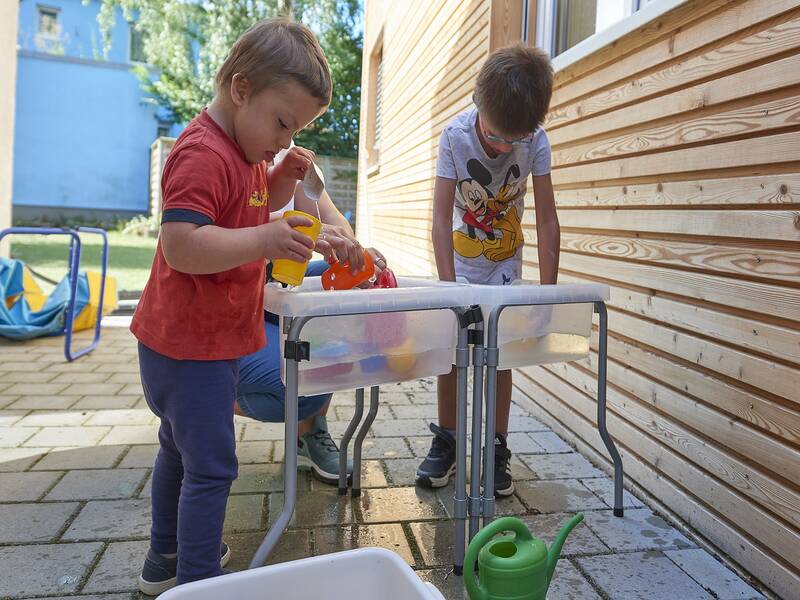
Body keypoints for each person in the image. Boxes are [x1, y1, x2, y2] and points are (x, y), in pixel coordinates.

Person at [130, 18, 346, 594]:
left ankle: (166, 561)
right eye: (282, 122)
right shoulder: (202, 153)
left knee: (179, 451)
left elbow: (241, 212)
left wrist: (277, 182)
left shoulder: (247, 155)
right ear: (241, 88)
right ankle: (200, 581)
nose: (284, 137)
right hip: (188, 348)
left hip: (199, 344)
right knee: (213, 467)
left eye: (294, 129)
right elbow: (183, 245)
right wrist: (264, 240)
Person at [416, 43, 560, 497]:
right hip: (457, 265)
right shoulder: (454, 136)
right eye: (497, 136)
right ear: (478, 104)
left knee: (500, 358)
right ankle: (449, 439)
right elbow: (440, 218)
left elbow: (549, 217)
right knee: (451, 355)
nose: (504, 148)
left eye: (513, 140)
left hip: (505, 269)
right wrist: (446, 290)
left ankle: (496, 447)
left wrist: (548, 296)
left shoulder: (534, 140)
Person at [235, 169, 388, 485]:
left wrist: (353, 256)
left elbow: (339, 229)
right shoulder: (241, 159)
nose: (285, 136)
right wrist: (295, 235)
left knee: (351, 285)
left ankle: (309, 433)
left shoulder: (297, 157)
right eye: (282, 124)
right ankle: (201, 400)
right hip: (239, 302)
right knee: (296, 379)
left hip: (278, 287)